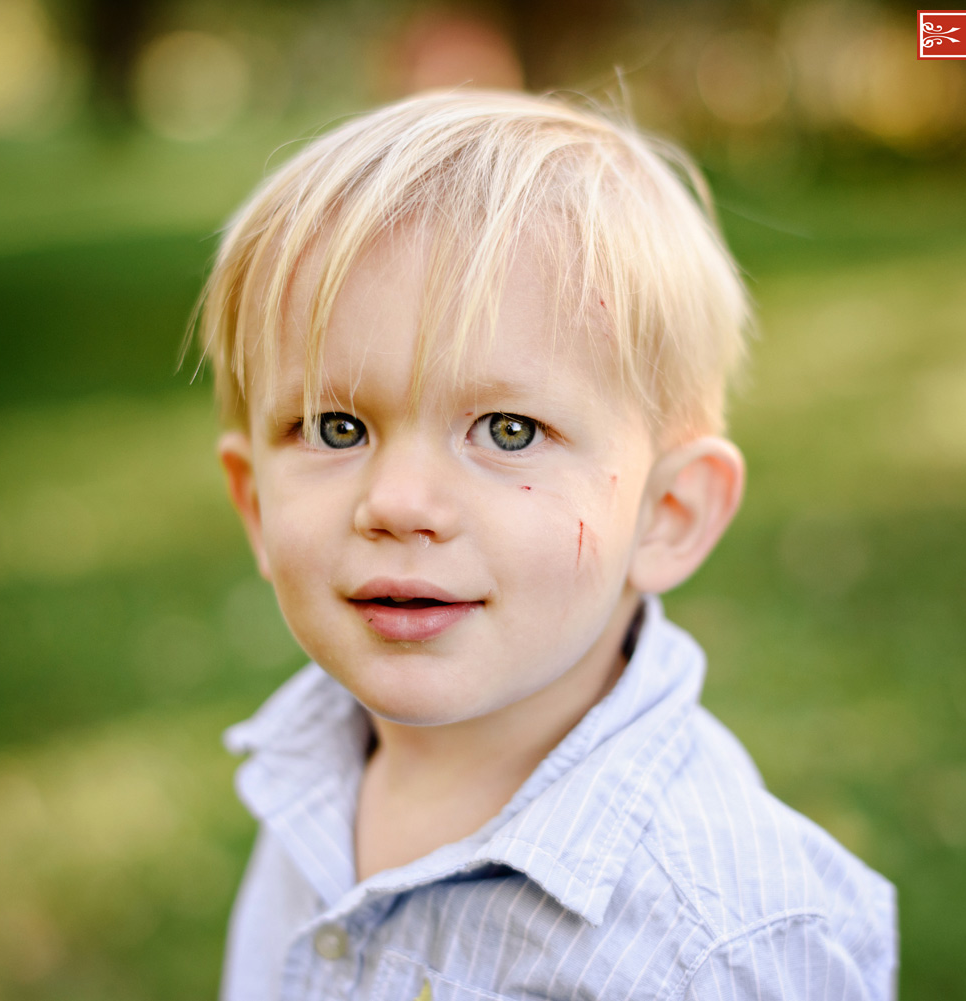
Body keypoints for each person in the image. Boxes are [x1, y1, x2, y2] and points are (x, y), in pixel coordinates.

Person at [196, 89, 896, 1000]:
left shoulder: (718, 940)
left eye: (509, 430)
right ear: (254, 504)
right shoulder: (309, 772)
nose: (399, 503)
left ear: (668, 512)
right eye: (334, 428)